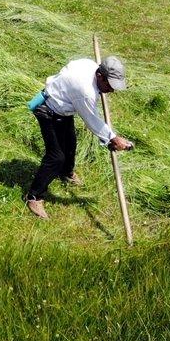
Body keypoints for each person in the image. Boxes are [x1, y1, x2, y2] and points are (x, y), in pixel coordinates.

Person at [24, 56, 134, 219]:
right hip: (48, 110)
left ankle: (66, 173)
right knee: (56, 157)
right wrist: (113, 138)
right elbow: (92, 120)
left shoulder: (90, 65)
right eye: (109, 86)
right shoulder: (85, 92)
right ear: (99, 76)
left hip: (64, 108)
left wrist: (111, 137)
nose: (111, 91)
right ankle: (33, 196)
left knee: (70, 145)